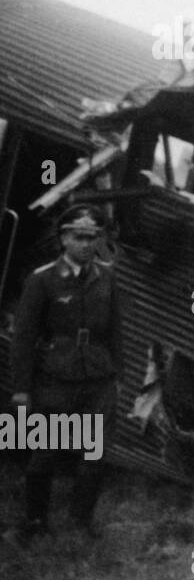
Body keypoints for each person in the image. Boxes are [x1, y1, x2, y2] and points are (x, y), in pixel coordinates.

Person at [6, 204, 121, 544]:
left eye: (93, 238)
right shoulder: (42, 280)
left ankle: (80, 523)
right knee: (46, 451)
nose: (87, 244)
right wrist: (22, 389)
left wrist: (120, 374)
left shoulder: (108, 277)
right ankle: (35, 522)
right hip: (55, 377)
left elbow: (116, 330)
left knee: (95, 452)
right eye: (80, 237)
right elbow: (24, 338)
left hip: (98, 377)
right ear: (63, 239)